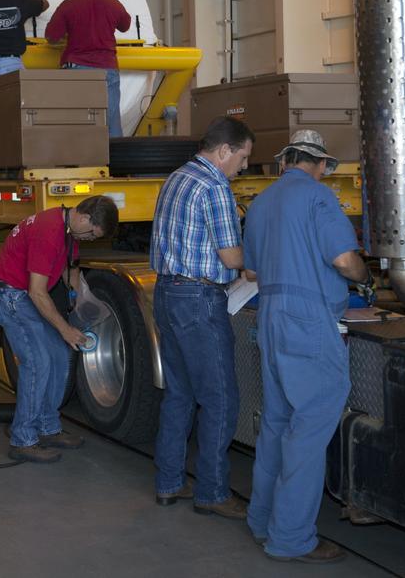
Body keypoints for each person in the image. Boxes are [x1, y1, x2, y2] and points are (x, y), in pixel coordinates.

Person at [242, 129, 373, 565]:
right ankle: (292, 538)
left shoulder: (260, 204)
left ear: (284, 162)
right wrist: (365, 276)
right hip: (308, 323)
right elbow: (342, 259)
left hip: (271, 318)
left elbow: (252, 272)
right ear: (319, 165)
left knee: (277, 425)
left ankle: (261, 520)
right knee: (310, 430)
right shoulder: (319, 199)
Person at [149, 116, 254, 520]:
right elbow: (231, 257)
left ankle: (169, 482)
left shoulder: (176, 177)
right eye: (243, 157)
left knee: (178, 394)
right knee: (220, 398)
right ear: (225, 150)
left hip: (166, 294)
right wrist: (258, 263)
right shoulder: (214, 186)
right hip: (198, 299)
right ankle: (211, 491)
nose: (243, 166)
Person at [0, 195, 118, 463]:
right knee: (38, 361)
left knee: (60, 356)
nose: (91, 239)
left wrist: (84, 299)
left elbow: (69, 270)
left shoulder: (69, 230)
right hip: (12, 297)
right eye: (92, 234)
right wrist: (65, 329)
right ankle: (23, 438)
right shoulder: (48, 232)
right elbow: (37, 292)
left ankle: (47, 426)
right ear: (84, 217)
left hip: (25, 295)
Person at [44, 0, 131, 137]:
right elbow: (125, 25)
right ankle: (116, 161)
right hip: (107, 69)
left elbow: (51, 37)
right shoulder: (113, 4)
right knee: (111, 122)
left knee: (78, 123)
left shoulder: (68, 5)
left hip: (77, 69)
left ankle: (80, 162)